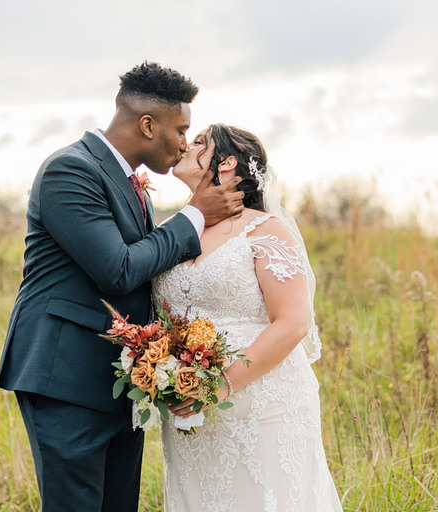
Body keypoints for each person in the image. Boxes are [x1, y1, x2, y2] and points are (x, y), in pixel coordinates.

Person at [0, 63, 245, 512]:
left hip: (123, 382)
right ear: (148, 125)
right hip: (65, 378)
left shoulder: (137, 188)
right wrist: (195, 215)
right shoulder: (69, 170)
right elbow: (119, 269)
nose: (185, 143)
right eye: (181, 129)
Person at [152, 123, 342, 511]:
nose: (186, 145)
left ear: (227, 164)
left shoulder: (264, 230)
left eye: (200, 142)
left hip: (262, 403)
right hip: (188, 407)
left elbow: (293, 322)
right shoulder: (177, 228)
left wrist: (220, 385)